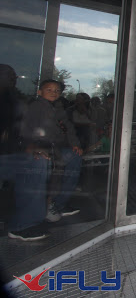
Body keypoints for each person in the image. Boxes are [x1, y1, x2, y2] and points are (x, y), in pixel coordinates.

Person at [0, 64, 50, 241]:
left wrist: (30, 146)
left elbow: (20, 131)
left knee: (37, 161)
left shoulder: (14, 101)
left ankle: (24, 224)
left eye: (13, 76)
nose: (13, 79)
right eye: (8, 76)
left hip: (9, 156)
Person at [22, 79, 83, 221]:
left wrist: (75, 144)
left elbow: (69, 128)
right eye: (49, 90)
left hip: (57, 147)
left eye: (56, 91)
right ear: (40, 92)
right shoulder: (36, 107)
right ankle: (46, 205)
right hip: (41, 148)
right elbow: (26, 129)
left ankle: (59, 203)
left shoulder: (58, 109)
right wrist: (31, 146)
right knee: (52, 171)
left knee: (74, 157)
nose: (53, 93)